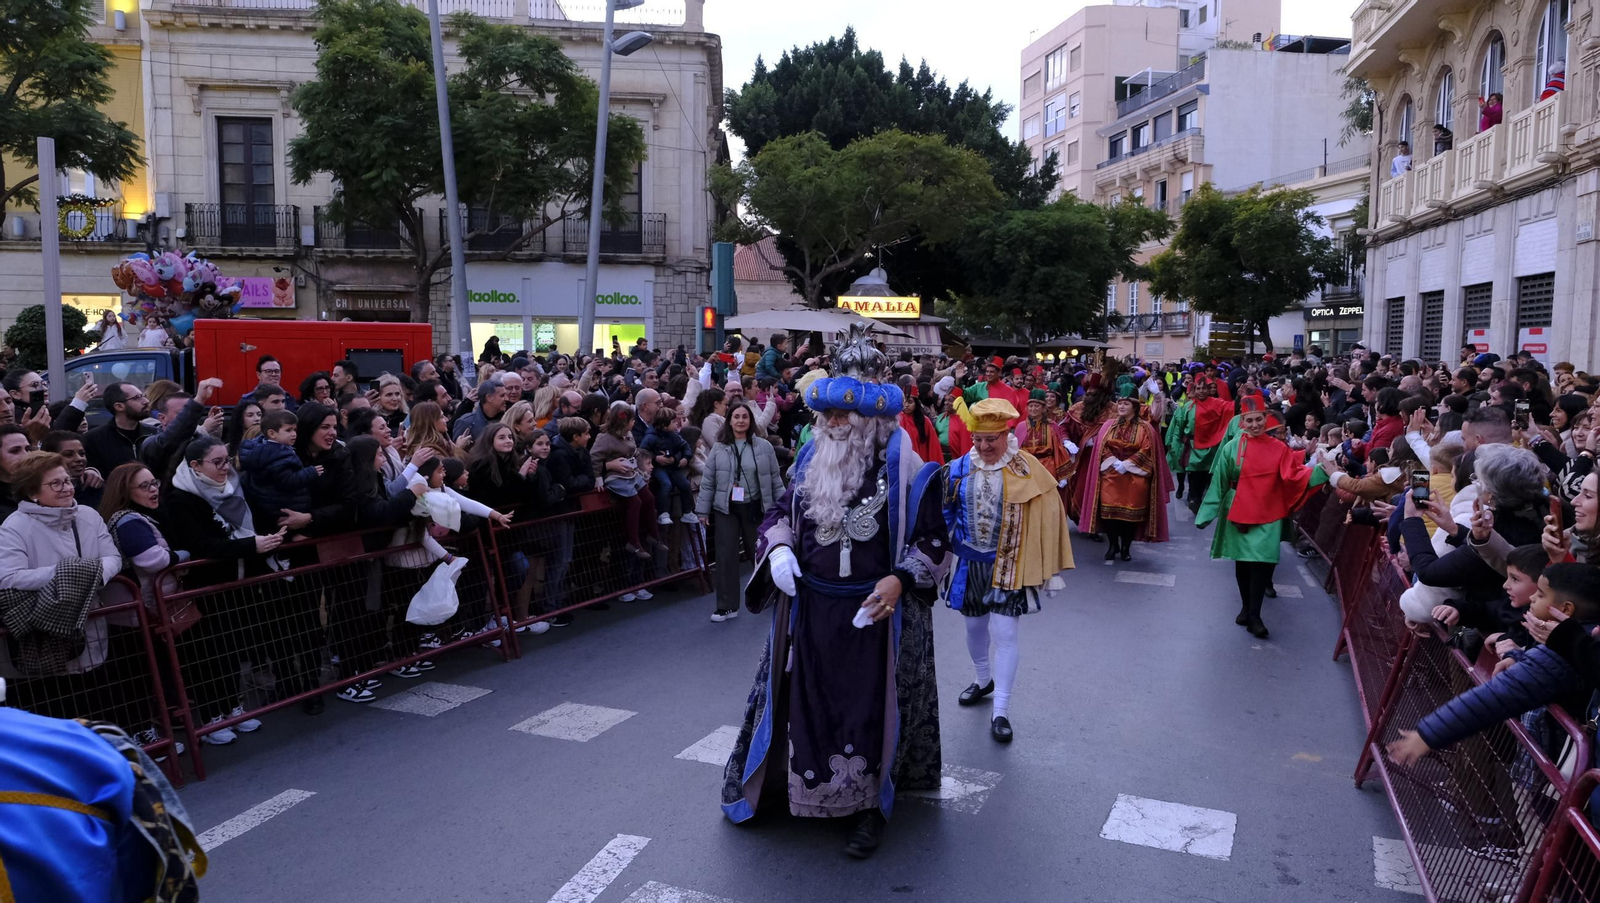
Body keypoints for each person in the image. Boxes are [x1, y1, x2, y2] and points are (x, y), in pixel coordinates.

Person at [721, 323, 949, 859]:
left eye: (843, 414)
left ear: (873, 418)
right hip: (813, 610)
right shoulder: (808, 460)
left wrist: (898, 579)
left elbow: (935, 539)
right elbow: (779, 513)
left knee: (868, 709)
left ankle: (867, 809)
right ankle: (804, 790)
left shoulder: (909, 469)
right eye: (826, 414)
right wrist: (777, 549)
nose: (832, 423)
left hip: (873, 616)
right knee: (809, 702)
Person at [941, 398, 1073, 745]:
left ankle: (1001, 709)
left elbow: (1048, 513)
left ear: (1006, 435)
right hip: (970, 564)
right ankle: (983, 679)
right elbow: (946, 511)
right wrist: (946, 546)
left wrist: (1048, 565)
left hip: (1010, 565)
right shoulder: (958, 469)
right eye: (978, 440)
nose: (984, 447)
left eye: (991, 440)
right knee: (974, 628)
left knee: (1006, 635)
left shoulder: (1025, 468)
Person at [1196, 403, 1326, 638]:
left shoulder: (1279, 448)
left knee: (1263, 563)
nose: (1254, 425)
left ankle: (1254, 614)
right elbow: (1220, 481)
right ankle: (1247, 608)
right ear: (1242, 422)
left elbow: (1293, 475)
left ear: (1266, 420)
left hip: (1269, 510)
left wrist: (1321, 471)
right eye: (1249, 420)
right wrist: (1207, 513)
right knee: (1243, 562)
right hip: (1238, 509)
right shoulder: (1232, 447)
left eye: (1259, 420)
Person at [695, 400, 785, 622]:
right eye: (736, 417)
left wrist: (783, 508)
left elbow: (775, 479)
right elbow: (708, 481)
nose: (741, 421)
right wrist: (703, 511)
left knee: (762, 554)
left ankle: (767, 596)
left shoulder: (764, 447)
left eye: (745, 417)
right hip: (726, 509)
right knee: (725, 557)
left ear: (751, 420)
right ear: (729, 420)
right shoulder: (718, 448)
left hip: (756, 508)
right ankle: (726, 606)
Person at [1076, 394, 1172, 563]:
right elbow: (1101, 447)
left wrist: (1127, 464)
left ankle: (1126, 547)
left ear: (1134, 407)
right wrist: (1113, 462)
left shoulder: (1145, 428)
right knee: (1109, 515)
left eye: (1126, 404)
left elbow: (1147, 449)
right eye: (1120, 403)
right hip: (1111, 475)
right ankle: (1113, 545)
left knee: (1130, 517)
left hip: (1135, 476)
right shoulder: (1108, 425)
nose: (1121, 407)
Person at [589, 401, 663, 560]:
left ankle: (654, 535)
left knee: (649, 499)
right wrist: (598, 477)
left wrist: (642, 469)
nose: (633, 423)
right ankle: (633, 542)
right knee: (635, 502)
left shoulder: (627, 435)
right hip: (616, 476)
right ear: (624, 421)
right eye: (631, 420)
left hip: (631, 472)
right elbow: (594, 458)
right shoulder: (604, 438)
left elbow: (635, 452)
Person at [238, 410, 322, 533]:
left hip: (268, 506)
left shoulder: (262, 450)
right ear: (272, 433)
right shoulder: (279, 455)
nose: (294, 434)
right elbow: (288, 481)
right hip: (284, 507)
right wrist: (310, 473)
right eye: (288, 430)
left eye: (295, 430)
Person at [83, 382, 153, 475]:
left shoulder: (154, 433)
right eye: (137, 398)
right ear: (119, 406)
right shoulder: (94, 439)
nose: (146, 401)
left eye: (144, 395)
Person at [643, 406, 696, 525]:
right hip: (658, 468)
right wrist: (655, 458)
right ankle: (663, 513)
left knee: (685, 484)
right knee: (666, 484)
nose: (677, 423)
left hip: (672, 467)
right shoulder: (650, 437)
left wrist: (684, 458)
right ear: (664, 424)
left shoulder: (674, 435)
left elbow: (685, 446)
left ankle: (687, 512)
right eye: (673, 421)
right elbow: (642, 452)